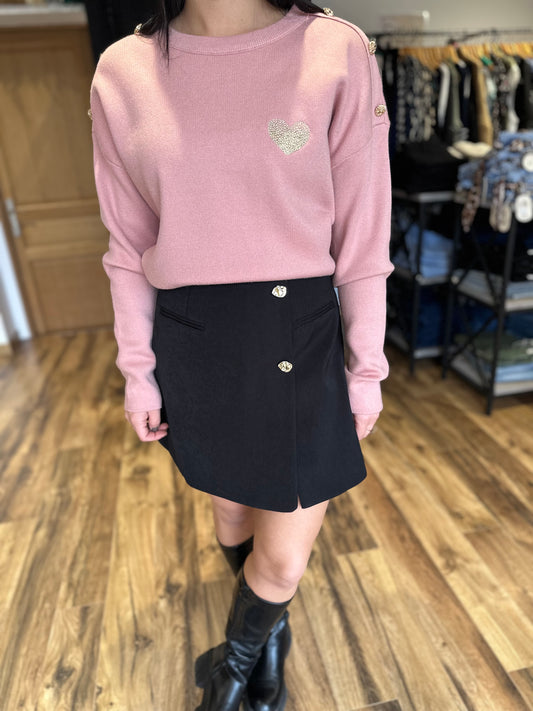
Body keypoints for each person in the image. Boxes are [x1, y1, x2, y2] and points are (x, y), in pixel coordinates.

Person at [89, 0, 393, 708]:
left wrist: (366, 367)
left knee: (281, 557)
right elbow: (128, 246)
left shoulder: (335, 49)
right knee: (231, 517)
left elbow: (364, 235)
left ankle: (229, 672)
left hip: (301, 337)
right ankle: (267, 641)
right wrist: (138, 372)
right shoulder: (123, 70)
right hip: (195, 340)